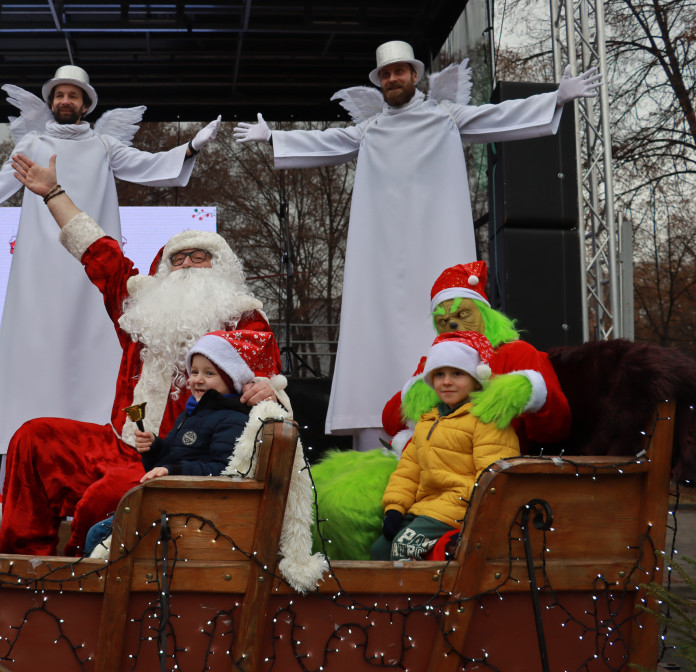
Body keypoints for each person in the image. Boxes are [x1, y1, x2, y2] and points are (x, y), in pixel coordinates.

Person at [233, 40, 601, 445]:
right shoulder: (370, 129)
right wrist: (274, 138)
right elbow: (328, 142)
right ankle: (382, 426)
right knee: (377, 321)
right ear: (380, 82)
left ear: (414, 75)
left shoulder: (446, 116)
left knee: (445, 314)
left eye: (399, 71)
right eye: (386, 74)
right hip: (382, 247)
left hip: (437, 235)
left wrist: (556, 99)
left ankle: (457, 421)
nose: (393, 78)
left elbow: (499, 116)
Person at [0, 65, 223, 455]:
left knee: (97, 347)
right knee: (36, 346)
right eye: (59, 95)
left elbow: (148, 166)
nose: (64, 101)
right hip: (40, 267)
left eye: (73, 95)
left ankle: (101, 443)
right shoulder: (32, 145)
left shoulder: (103, 146)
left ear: (85, 104)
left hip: (92, 269)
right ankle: (27, 446)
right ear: (52, 102)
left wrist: (190, 148)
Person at [0, 153, 282, 555]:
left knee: (105, 497)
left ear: (220, 269)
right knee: (34, 437)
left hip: (181, 453)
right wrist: (53, 193)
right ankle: (24, 564)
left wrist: (266, 387)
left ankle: (77, 582)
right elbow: (101, 256)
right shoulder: (142, 313)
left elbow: (267, 371)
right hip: (119, 441)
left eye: (198, 257)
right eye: (177, 258)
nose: (186, 264)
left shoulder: (243, 317)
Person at [84, 329, 277, 556]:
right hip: (172, 502)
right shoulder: (189, 415)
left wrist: (172, 470)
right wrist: (155, 447)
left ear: (229, 377)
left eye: (210, 373)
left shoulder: (233, 419)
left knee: (98, 534)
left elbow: (222, 469)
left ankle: (101, 586)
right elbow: (172, 457)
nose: (198, 379)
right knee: (98, 531)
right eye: (194, 371)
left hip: (195, 511)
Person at [381, 260, 571, 454]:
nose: (452, 325)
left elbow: (555, 430)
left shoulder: (517, 353)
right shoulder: (436, 364)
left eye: (463, 314)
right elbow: (390, 423)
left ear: (485, 315)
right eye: (443, 321)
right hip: (423, 463)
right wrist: (421, 389)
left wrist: (527, 392)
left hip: (490, 471)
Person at [370, 330, 520, 561]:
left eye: (457, 373)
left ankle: (416, 598)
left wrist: (474, 517)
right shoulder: (428, 420)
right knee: (379, 549)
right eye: (439, 374)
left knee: (402, 548)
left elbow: (493, 479)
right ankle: (383, 598)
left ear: (475, 379)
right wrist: (394, 507)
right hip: (426, 508)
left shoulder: (487, 421)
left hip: (460, 509)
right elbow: (408, 472)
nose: (447, 381)